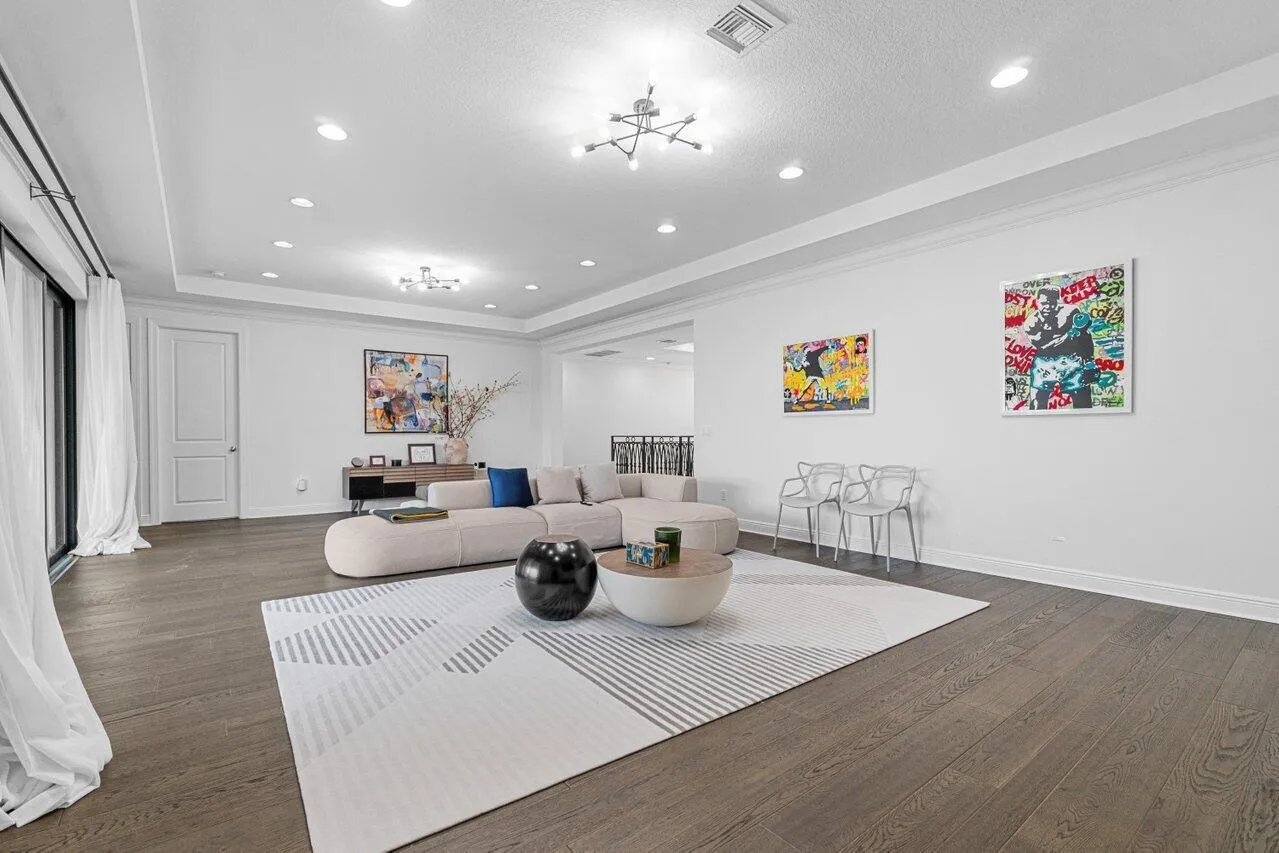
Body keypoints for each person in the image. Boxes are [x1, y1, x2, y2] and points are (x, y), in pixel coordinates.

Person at [1024, 286, 1096, 409]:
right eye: (1044, 303)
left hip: (1072, 360)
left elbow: (1085, 336)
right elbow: (1043, 346)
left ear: (1058, 301)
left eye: (1052, 303)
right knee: (1037, 401)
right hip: (1044, 362)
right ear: (1037, 302)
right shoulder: (1032, 322)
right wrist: (1068, 336)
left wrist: (1089, 361)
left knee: (1082, 399)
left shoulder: (1071, 312)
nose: (1048, 307)